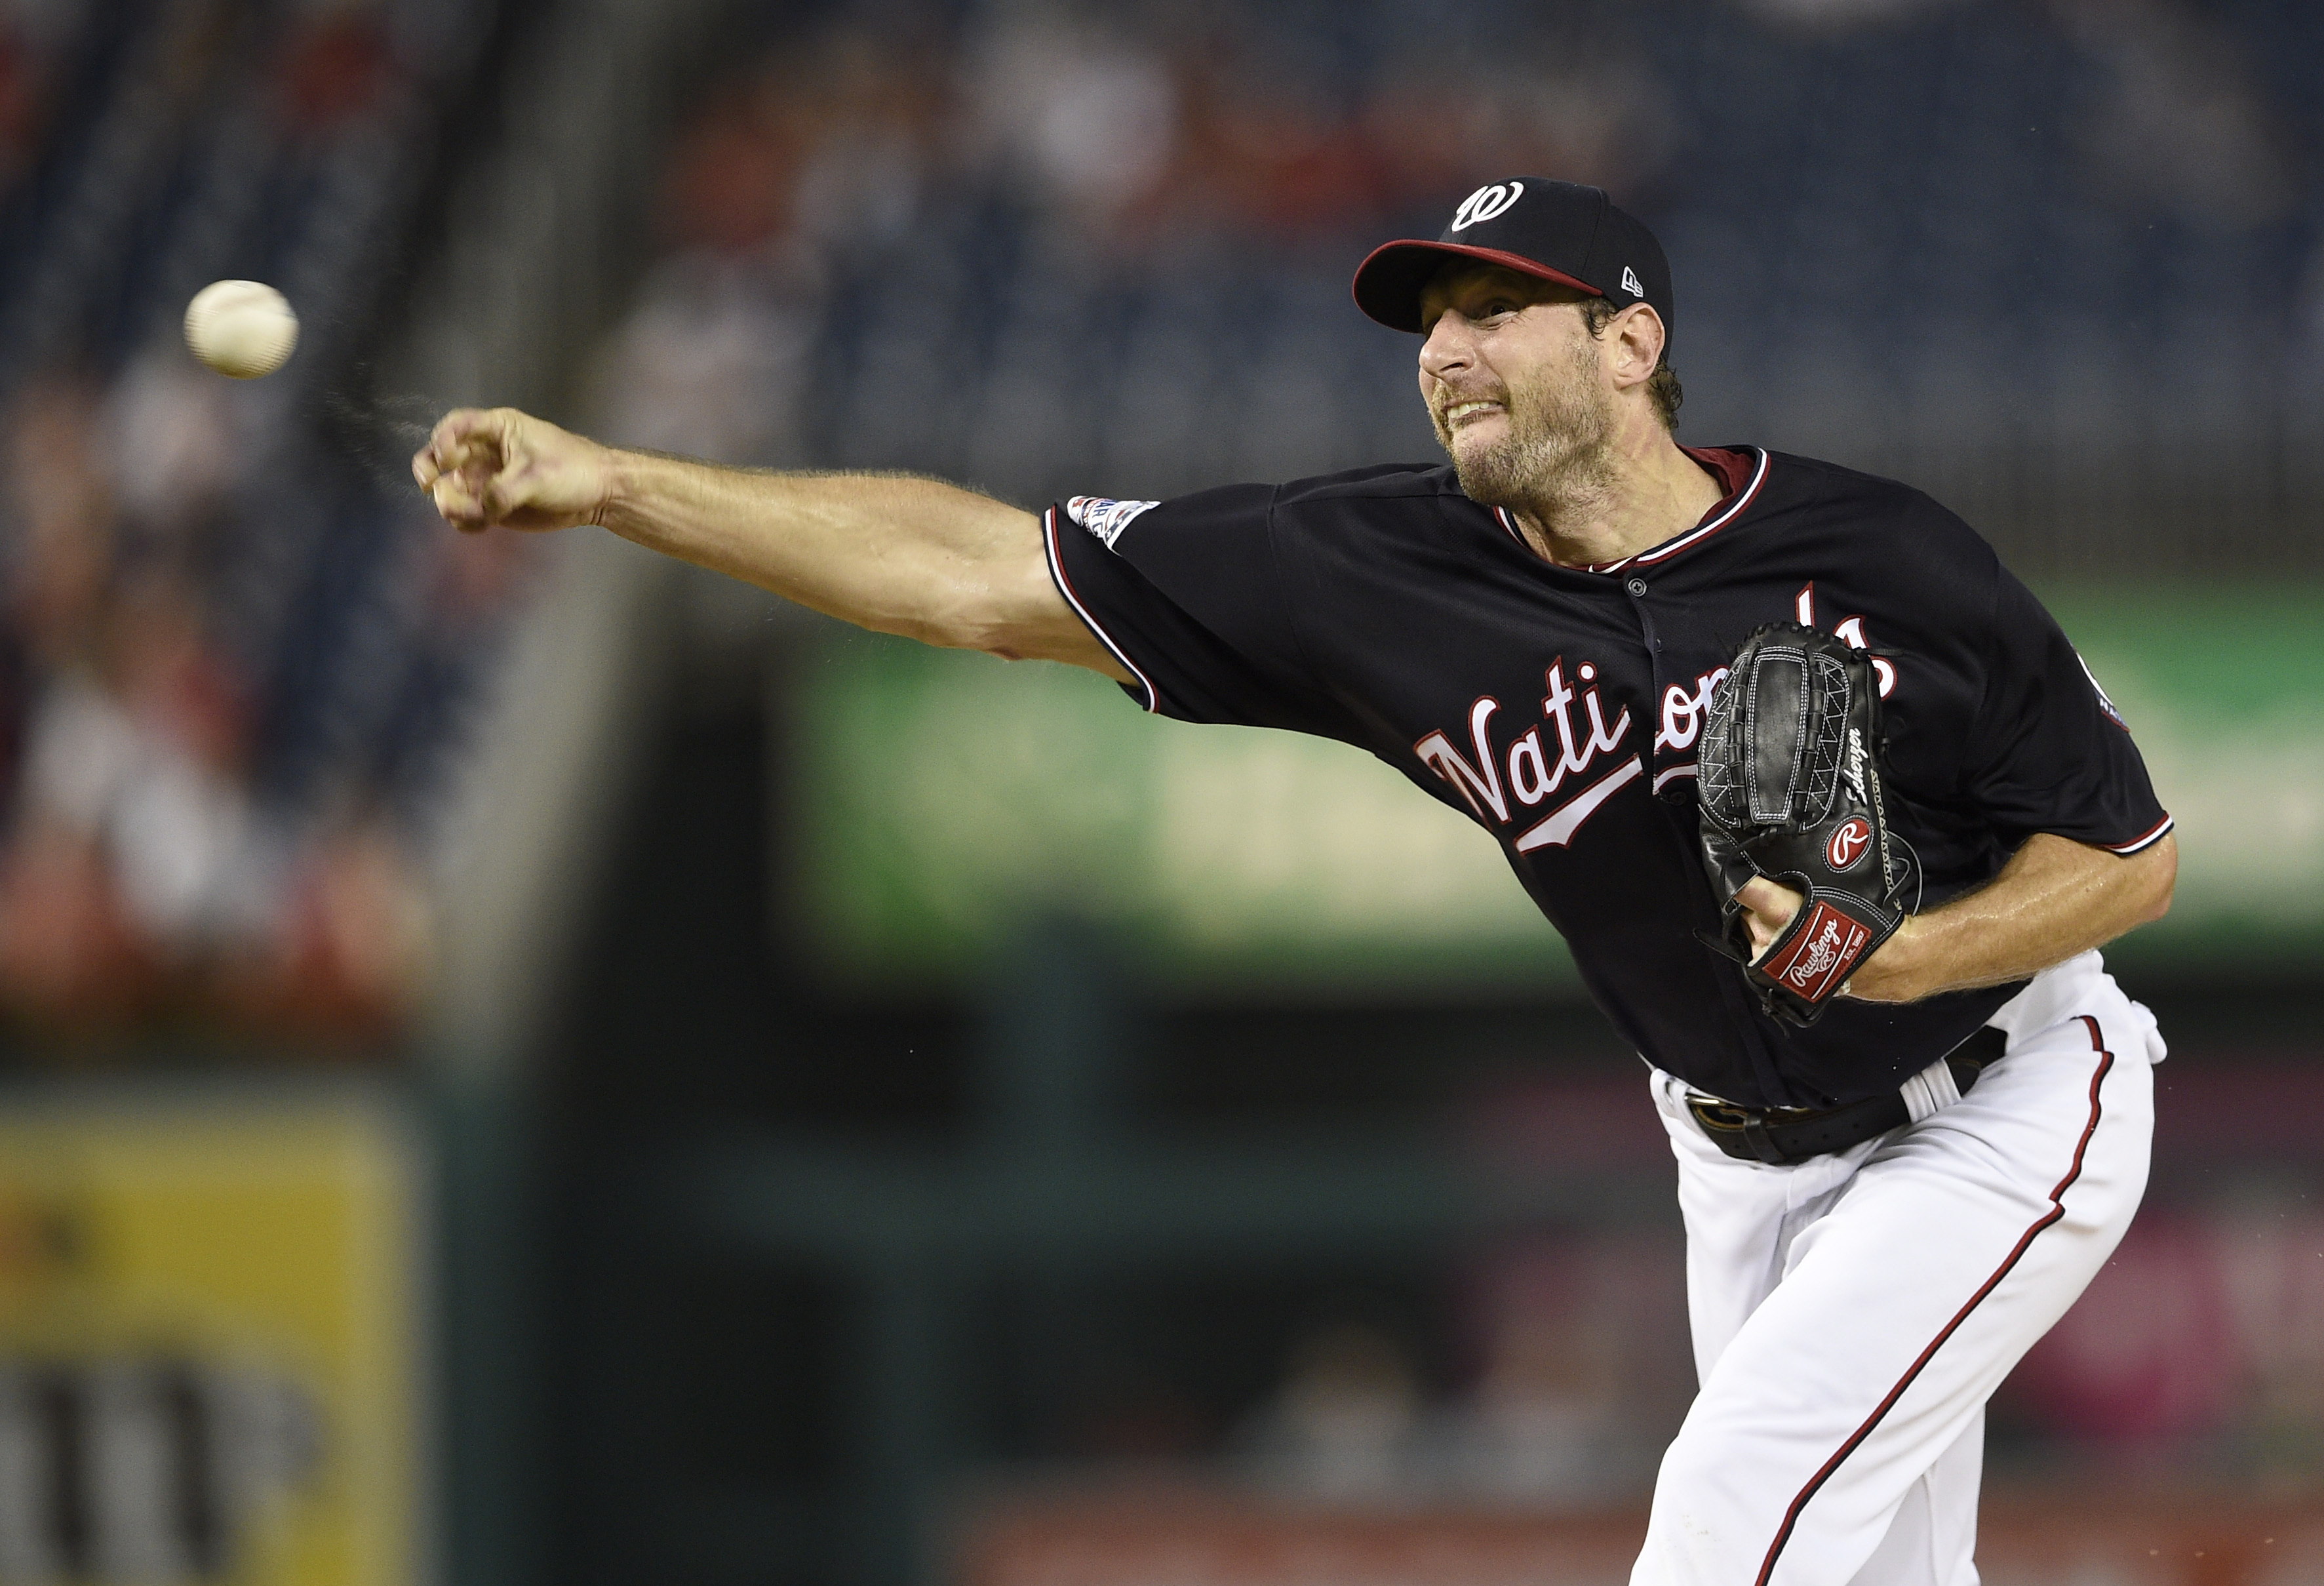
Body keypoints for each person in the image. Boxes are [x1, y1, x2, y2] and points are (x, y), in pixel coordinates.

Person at [415, 178, 2176, 1585]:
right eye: (1430, 322)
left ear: (1629, 341)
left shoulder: (1876, 554)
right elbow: (971, 576)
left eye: (1497, 309)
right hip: (1735, 1158)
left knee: (1727, 1506)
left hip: (2003, 1095)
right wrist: (619, 485)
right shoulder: (1365, 568)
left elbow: (2126, 855)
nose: (1446, 349)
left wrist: (1910, 950)